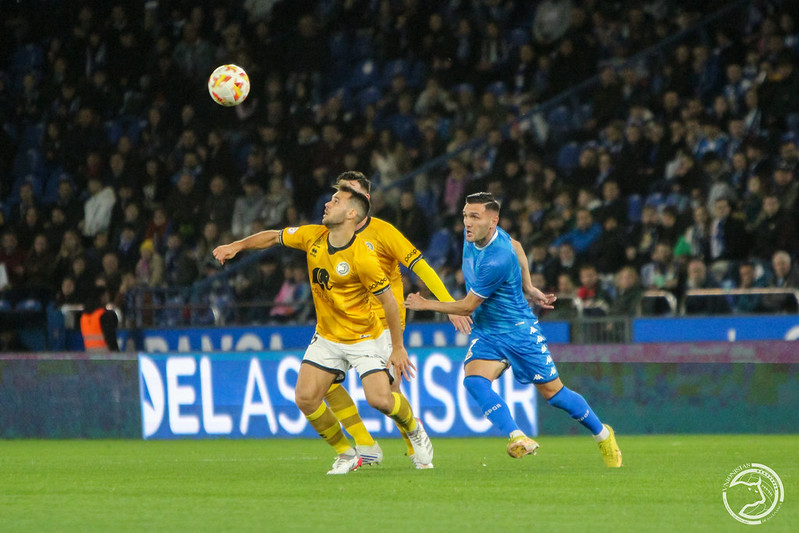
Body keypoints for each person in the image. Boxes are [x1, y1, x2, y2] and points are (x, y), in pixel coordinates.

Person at [213, 184, 433, 475]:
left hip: (365, 337)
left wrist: (398, 347)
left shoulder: (363, 258)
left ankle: (414, 429)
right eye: (331, 198)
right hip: (328, 336)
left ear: (352, 213)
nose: (328, 204)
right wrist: (237, 246)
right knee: (305, 397)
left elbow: (390, 304)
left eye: (337, 200)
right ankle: (347, 452)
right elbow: (274, 237)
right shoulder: (312, 235)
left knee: (379, 399)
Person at [405, 192, 622, 467]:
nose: (467, 223)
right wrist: (529, 286)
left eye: (474, 217)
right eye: (465, 216)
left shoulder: (497, 259)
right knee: (474, 380)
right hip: (489, 332)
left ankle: (603, 435)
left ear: (493, 221)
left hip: (519, 332)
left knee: (554, 395)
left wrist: (426, 304)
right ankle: (517, 436)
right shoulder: (479, 236)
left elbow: (467, 306)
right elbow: (518, 245)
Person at [321, 171, 471, 469]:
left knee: (389, 392)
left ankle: (414, 441)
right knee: (321, 383)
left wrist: (450, 306)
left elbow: (422, 267)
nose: (343, 196)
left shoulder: (384, 232)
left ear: (364, 201)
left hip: (382, 324)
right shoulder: (328, 233)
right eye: (341, 191)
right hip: (344, 323)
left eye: (351, 191)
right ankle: (365, 444)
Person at [80, 284, 119, 352]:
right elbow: (111, 340)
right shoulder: (104, 315)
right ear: (102, 297)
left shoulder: (83, 317)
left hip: (90, 356)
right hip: (106, 357)